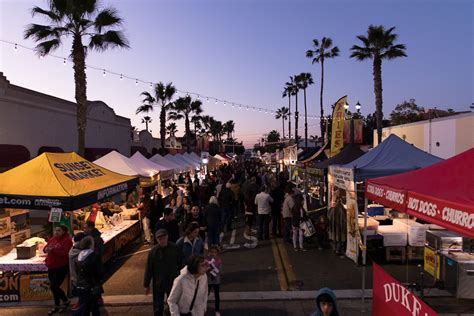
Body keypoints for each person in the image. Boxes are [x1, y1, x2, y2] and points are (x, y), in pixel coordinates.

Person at [144, 229, 183, 316]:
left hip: (172, 280)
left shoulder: (175, 248)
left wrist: (182, 278)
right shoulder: (153, 252)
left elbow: (181, 264)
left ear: (167, 237)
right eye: (160, 239)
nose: (162, 240)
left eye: (164, 238)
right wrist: (146, 284)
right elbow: (149, 268)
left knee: (172, 302)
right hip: (159, 281)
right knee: (158, 305)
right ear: (157, 240)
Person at [44, 225, 73, 315]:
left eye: (59, 230)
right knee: (54, 287)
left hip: (61, 266)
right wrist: (46, 249)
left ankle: (65, 300)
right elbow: (46, 248)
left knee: (54, 286)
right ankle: (57, 305)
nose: (56, 232)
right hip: (51, 265)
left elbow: (65, 253)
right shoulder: (52, 239)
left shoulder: (67, 240)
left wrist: (52, 251)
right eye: (55, 230)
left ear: (64, 231)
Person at [73, 236, 102, 316]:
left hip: (80, 286)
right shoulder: (93, 256)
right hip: (91, 285)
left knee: (85, 308)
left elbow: (77, 271)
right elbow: (98, 272)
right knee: (94, 307)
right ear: (90, 245)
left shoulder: (78, 257)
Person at [206, 246, 222, 316]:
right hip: (208, 280)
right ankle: (203, 307)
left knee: (217, 296)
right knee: (205, 295)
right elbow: (204, 270)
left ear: (217, 253)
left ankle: (217, 310)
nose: (213, 254)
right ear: (209, 252)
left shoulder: (219, 261)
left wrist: (213, 270)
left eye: (215, 252)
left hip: (216, 281)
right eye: (211, 252)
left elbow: (220, 271)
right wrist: (208, 269)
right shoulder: (207, 260)